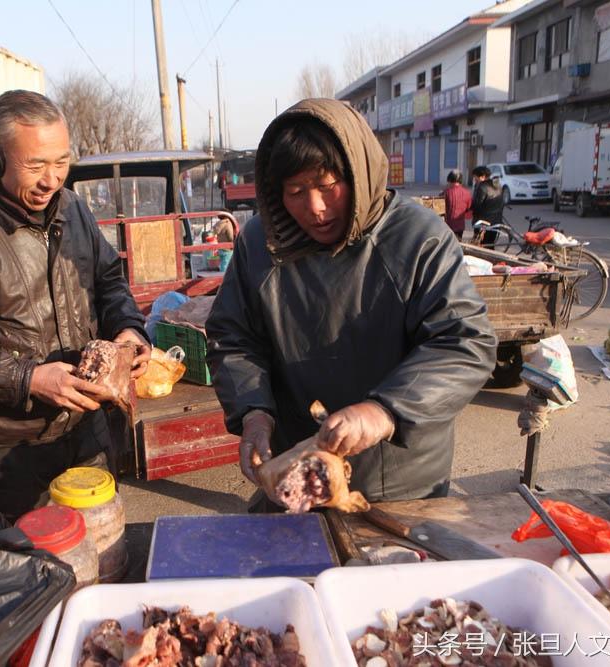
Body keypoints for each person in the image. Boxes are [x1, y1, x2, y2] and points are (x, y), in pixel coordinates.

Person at [205, 99, 497, 504]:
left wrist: (384, 411)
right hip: (297, 467)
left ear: (357, 172)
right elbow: (232, 337)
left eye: (327, 186)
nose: (316, 208)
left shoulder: (419, 238)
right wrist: (252, 411)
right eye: (296, 191)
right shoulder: (260, 243)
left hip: (401, 483)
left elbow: (465, 342)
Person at [0, 90, 150, 521]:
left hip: (88, 431)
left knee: (101, 545)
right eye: (35, 165)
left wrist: (130, 331)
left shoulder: (74, 212)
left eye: (61, 162)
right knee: (34, 571)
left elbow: (109, 281)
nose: (51, 179)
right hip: (12, 451)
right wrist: (30, 379)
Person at [470, 165, 504, 248]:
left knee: (480, 247)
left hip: (483, 223)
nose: (475, 180)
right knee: (490, 245)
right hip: (497, 221)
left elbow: (477, 205)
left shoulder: (481, 187)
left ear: (482, 177)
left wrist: (470, 209)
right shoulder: (497, 185)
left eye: (475, 178)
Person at [441, 169, 472, 240]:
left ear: (449, 180)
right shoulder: (467, 193)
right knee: (458, 245)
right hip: (460, 226)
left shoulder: (445, 193)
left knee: (448, 247)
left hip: (448, 226)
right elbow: (469, 209)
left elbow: (439, 209)